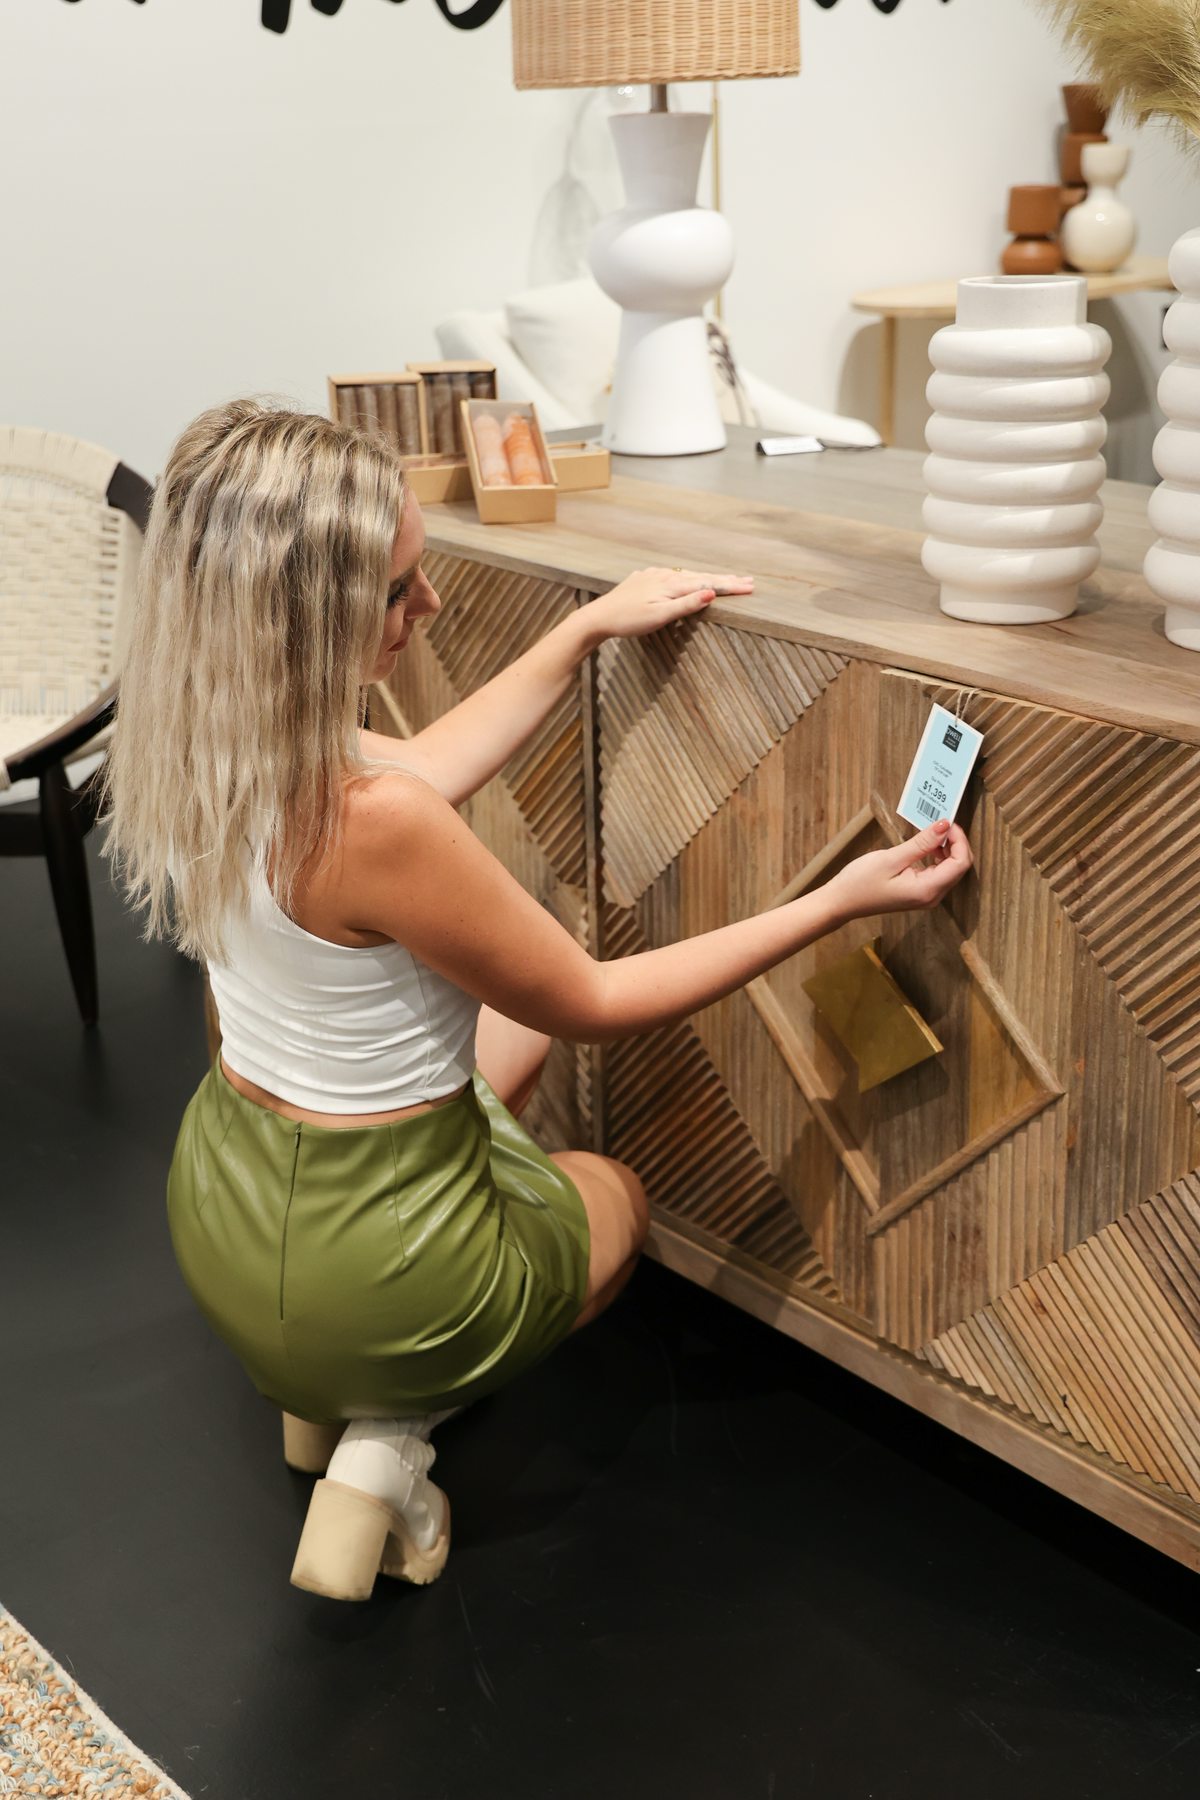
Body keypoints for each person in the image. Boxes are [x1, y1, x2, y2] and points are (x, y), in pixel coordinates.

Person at [103, 399, 972, 1604]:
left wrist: (585, 633)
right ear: (310, 620)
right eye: (402, 591)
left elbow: (419, 771)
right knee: (610, 1197)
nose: (433, 609)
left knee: (487, 1021)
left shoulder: (206, 736)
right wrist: (836, 902)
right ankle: (383, 1450)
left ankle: (315, 1404)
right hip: (370, 1269)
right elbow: (596, 1002)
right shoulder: (377, 824)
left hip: (226, 1207)